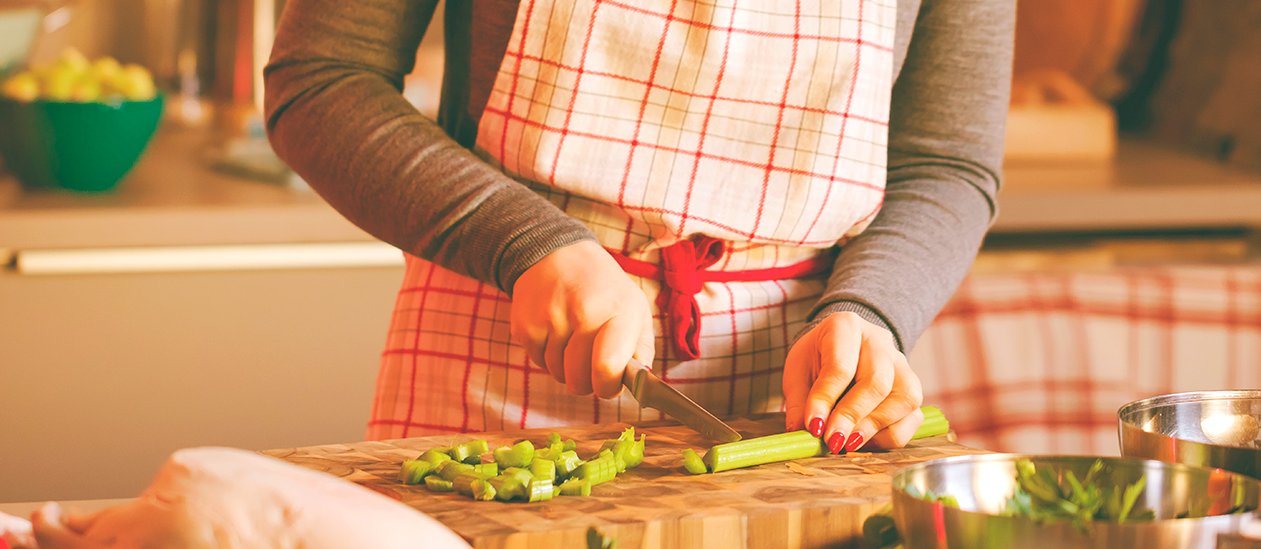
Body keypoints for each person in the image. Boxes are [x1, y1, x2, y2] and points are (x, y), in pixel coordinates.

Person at [265, 0, 1014, 451]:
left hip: (798, 393)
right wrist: (528, 243)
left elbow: (944, 160)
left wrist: (872, 312)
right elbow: (324, 78)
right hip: (496, 340)